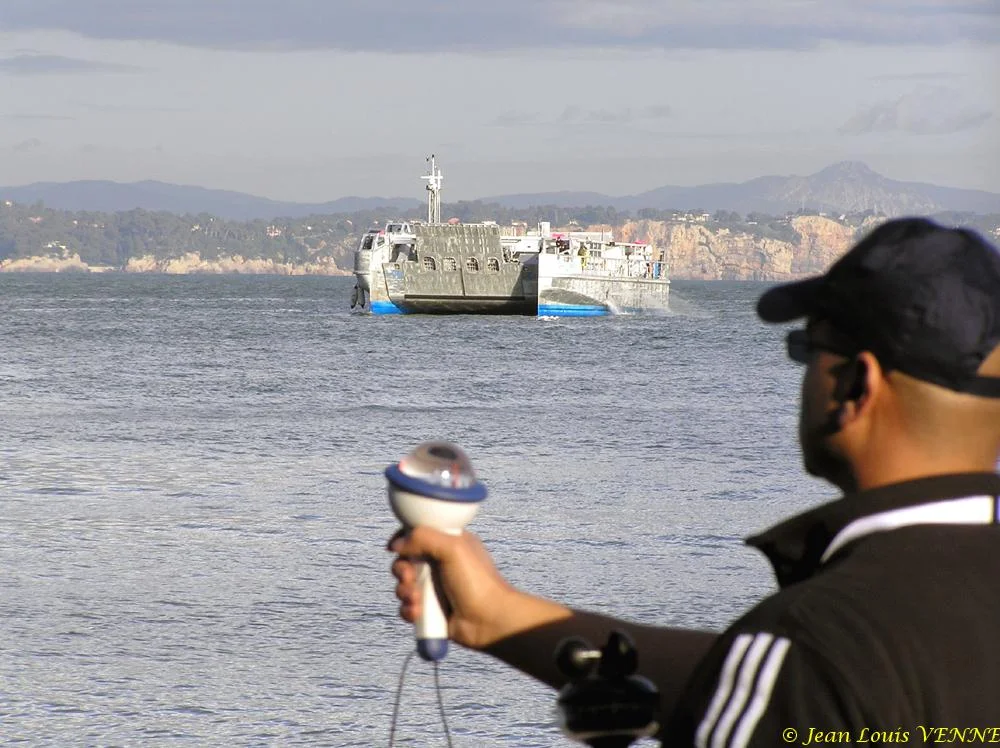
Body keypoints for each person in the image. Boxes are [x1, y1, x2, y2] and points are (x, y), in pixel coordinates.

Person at [389, 216, 1000, 747]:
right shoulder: (843, 649)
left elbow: (798, 681)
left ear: (854, 388)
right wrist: (496, 616)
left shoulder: (816, 638)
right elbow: (767, 685)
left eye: (804, 348)